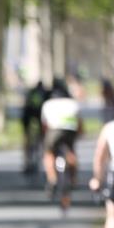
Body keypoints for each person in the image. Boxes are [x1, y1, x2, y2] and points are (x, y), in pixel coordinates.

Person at [40, 78, 83, 208]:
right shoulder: (73, 103)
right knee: (71, 151)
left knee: (48, 153)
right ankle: (74, 178)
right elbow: (80, 124)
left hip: (54, 131)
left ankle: (52, 179)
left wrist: (45, 138)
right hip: (70, 131)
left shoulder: (48, 104)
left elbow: (45, 126)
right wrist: (79, 135)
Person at [21, 81, 48, 173]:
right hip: (36, 116)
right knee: (41, 139)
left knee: (28, 140)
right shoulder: (44, 93)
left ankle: (27, 161)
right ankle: (36, 157)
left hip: (28, 117)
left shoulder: (32, 92)